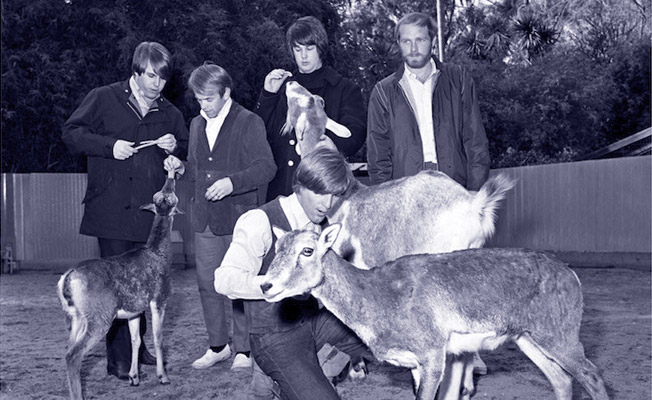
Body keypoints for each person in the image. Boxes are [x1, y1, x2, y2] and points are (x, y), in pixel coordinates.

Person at [62, 41, 189, 380]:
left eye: (162, 78)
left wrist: (176, 152)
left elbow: (186, 148)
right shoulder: (104, 98)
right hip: (111, 210)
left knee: (145, 283)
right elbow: (71, 132)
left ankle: (140, 347)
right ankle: (117, 359)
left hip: (148, 217)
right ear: (135, 72)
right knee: (114, 287)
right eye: (150, 76)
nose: (157, 85)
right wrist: (108, 146)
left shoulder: (171, 113)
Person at [213, 148, 371, 400]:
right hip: (275, 336)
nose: (327, 204)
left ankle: (314, 368)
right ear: (300, 186)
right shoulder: (259, 221)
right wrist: (278, 283)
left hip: (316, 322)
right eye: (320, 193)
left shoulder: (324, 225)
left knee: (382, 335)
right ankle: (278, 374)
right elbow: (223, 280)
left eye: (335, 195)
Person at [164, 62, 276, 372]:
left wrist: (232, 183)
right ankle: (217, 346)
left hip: (239, 218)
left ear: (226, 93)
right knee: (207, 284)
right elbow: (197, 169)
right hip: (204, 220)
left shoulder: (249, 122)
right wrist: (181, 167)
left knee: (239, 284)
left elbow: (267, 168)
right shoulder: (197, 124)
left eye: (209, 99)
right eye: (199, 99)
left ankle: (244, 349)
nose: (203, 106)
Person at [366, 12, 491, 191]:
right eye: (406, 41)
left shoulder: (459, 79)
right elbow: (378, 157)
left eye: (420, 40)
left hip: (455, 187)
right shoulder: (383, 92)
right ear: (399, 44)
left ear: (433, 42)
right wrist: (388, 203)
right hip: (406, 194)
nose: (413, 48)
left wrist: (475, 193)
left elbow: (476, 142)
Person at [254, 16, 366, 201]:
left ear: (320, 48)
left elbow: (356, 134)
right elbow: (260, 136)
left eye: (309, 48)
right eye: (298, 49)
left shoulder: (344, 88)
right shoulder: (283, 88)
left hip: (325, 190)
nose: (303, 56)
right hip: (284, 192)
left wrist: (330, 146)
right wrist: (268, 95)